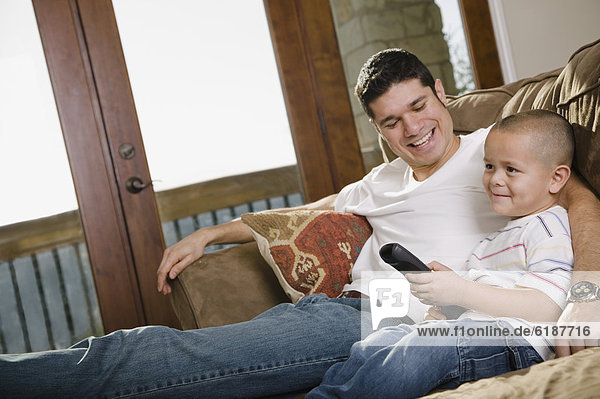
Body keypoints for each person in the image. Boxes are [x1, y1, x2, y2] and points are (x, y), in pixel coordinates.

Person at [1, 49, 598, 399]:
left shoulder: (497, 154)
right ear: (377, 130)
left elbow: (579, 201)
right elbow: (313, 210)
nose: (412, 130)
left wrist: (588, 299)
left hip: (428, 315)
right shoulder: (380, 181)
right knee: (173, 358)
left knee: (154, 356)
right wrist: (212, 232)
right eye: (391, 122)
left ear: (441, 93)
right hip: (354, 308)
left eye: (419, 106)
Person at [305, 109, 575, 398]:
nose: (495, 179)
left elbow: (548, 307)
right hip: (473, 333)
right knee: (379, 342)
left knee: (422, 348)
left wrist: (460, 291)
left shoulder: (548, 227)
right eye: (488, 166)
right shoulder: (491, 242)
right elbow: (477, 303)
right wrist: (446, 308)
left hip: (518, 343)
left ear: (556, 178)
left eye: (511, 169)